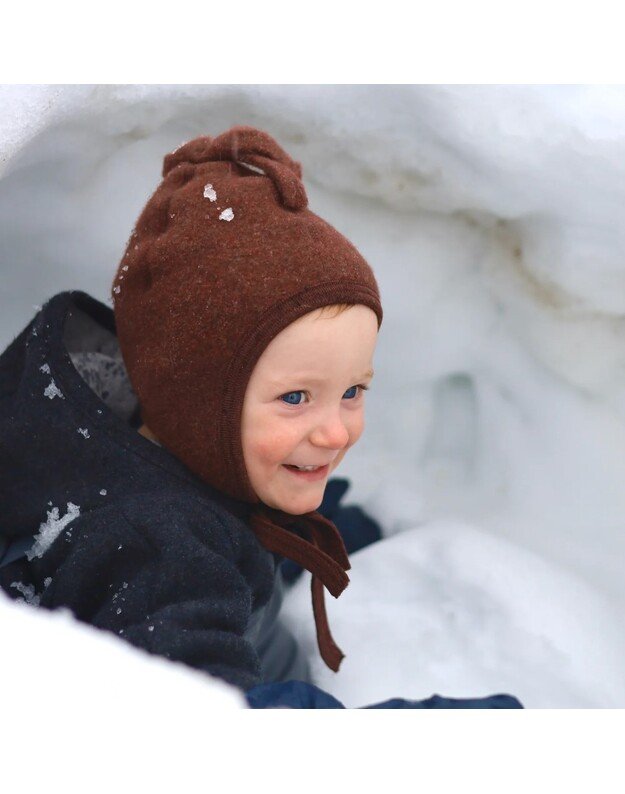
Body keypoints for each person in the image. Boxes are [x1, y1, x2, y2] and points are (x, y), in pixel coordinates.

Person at [0, 125, 522, 709]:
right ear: (196, 397)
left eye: (352, 390)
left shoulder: (193, 450)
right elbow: (219, 733)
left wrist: (331, 534)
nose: (335, 431)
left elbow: (245, 512)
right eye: (296, 398)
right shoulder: (156, 550)